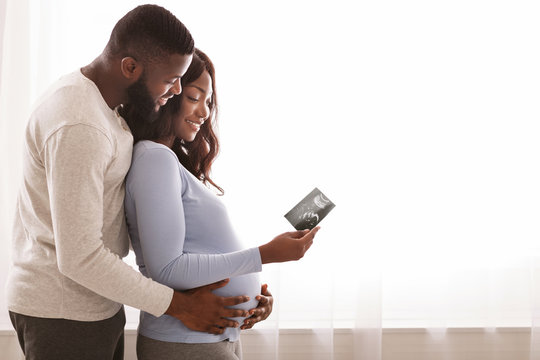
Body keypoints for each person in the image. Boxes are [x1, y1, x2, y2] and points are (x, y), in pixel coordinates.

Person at [5, 5, 258, 360]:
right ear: (130, 67)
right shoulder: (81, 123)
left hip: (93, 307)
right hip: (63, 313)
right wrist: (180, 306)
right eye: (171, 80)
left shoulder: (104, 109)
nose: (175, 91)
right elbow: (79, 258)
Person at [123, 48, 320, 360]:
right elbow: (168, 270)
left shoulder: (168, 162)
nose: (204, 112)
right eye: (194, 96)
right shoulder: (154, 159)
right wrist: (264, 255)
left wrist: (252, 300)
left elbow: (199, 256)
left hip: (209, 340)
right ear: (168, 92)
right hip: (185, 344)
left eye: (209, 101)